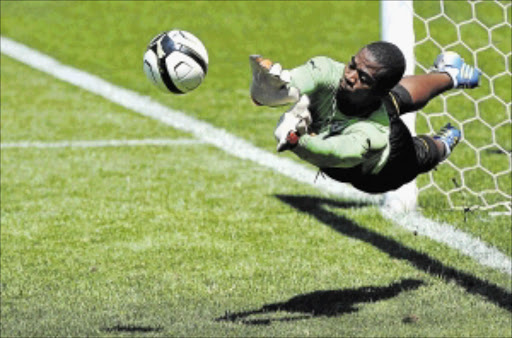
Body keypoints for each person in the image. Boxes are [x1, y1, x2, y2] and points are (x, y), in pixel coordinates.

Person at [249, 42, 480, 194]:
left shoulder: (374, 132)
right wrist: (272, 88)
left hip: (383, 168)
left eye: (363, 77)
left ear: (379, 90)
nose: (349, 76)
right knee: (393, 99)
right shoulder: (329, 71)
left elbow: (333, 152)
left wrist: (297, 141)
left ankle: (443, 145)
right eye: (352, 65)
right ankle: (450, 75)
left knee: (421, 154)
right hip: (367, 105)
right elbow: (297, 80)